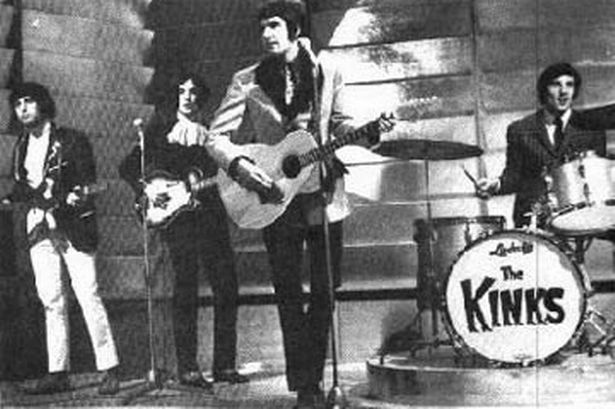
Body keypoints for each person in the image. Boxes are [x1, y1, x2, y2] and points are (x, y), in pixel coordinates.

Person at [203, 2, 390, 408]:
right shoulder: (247, 80)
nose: (266, 34)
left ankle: (310, 375)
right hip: (274, 196)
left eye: (274, 25)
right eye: (261, 27)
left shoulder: (327, 70)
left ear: (295, 29)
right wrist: (241, 167)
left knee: (326, 289)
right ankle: (307, 387)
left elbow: (339, 123)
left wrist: (367, 133)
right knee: (287, 290)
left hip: (323, 193)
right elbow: (215, 138)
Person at [119, 73, 248, 390]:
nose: (187, 97)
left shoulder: (214, 134)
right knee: (186, 289)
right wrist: (151, 188)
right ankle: (188, 368)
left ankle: (224, 365)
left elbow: (227, 172)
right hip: (179, 221)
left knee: (227, 287)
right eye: (182, 91)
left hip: (212, 216)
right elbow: (128, 167)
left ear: (201, 97)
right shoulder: (160, 132)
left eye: (193, 92)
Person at [5, 82, 120, 395]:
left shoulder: (71, 140)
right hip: (39, 226)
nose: (23, 108)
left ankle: (109, 368)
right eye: (18, 104)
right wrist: (11, 198)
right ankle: (58, 371)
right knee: (51, 299)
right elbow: (23, 185)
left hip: (73, 226)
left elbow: (88, 182)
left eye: (29, 102)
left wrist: (72, 199)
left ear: (43, 104)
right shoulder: (21, 145)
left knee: (88, 294)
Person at [476, 62, 615, 228]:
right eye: (556, 85)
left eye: (569, 85)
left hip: (581, 220)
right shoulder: (520, 130)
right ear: (544, 90)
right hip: (535, 220)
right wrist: (495, 185)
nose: (563, 91)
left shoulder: (591, 127)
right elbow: (514, 177)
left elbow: (598, 179)